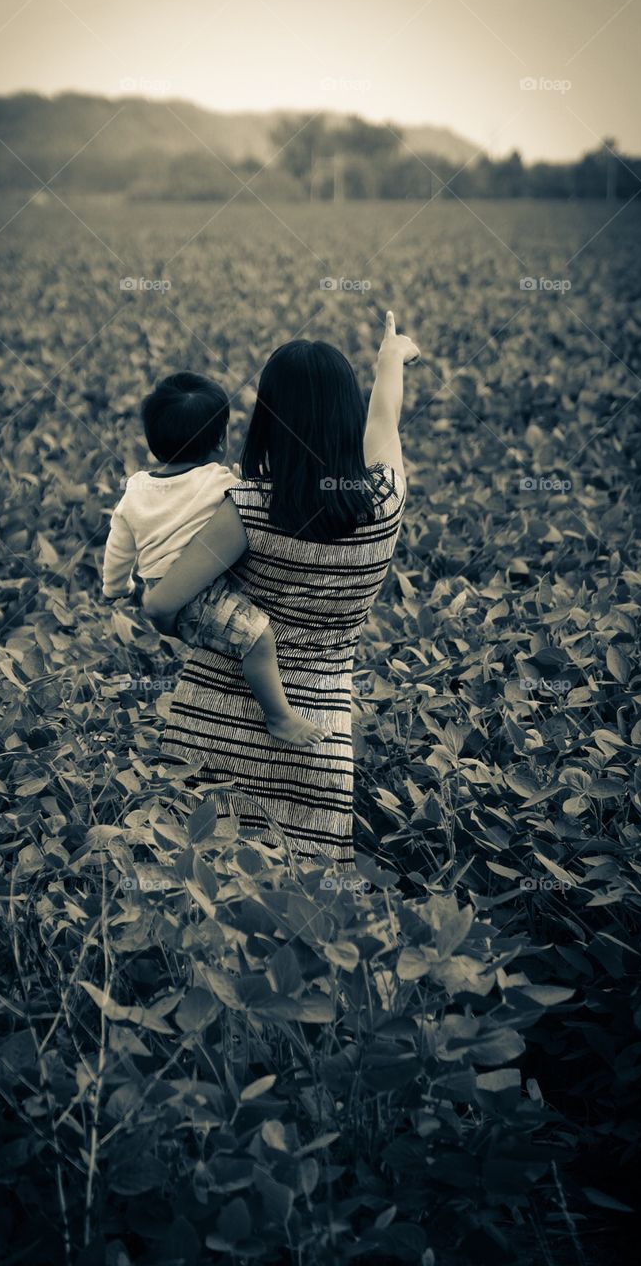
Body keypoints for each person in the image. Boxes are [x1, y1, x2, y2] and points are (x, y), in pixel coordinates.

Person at [143, 311, 419, 869]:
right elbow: (384, 421)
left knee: (194, 908)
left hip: (208, 739)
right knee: (307, 917)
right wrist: (391, 359)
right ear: (346, 415)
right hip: (316, 741)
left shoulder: (246, 508)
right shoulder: (385, 505)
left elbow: (163, 603)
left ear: (266, 418)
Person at [102, 371, 326, 746]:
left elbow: (118, 546)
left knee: (237, 635)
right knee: (259, 638)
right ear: (220, 441)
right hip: (198, 596)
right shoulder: (218, 482)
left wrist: (117, 586)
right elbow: (249, 504)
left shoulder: (137, 489)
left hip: (161, 586)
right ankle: (279, 716)